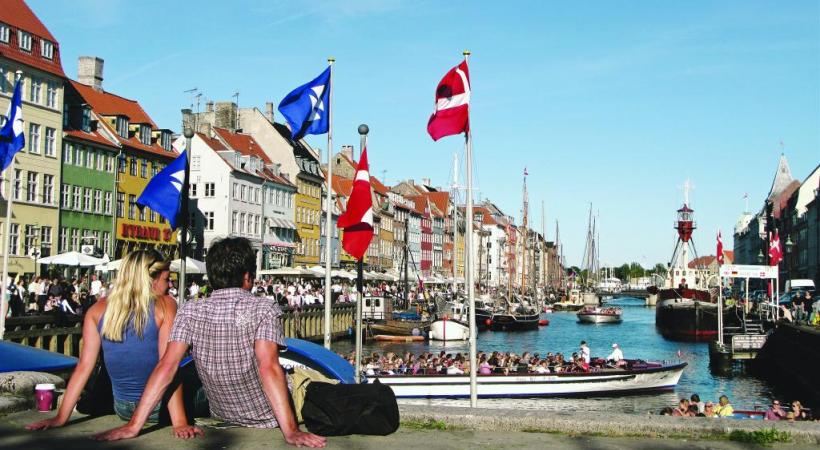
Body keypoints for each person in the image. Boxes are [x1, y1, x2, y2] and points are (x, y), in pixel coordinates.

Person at [91, 237, 325, 448]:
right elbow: (268, 368)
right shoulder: (264, 308)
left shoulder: (191, 310)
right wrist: (291, 431)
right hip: (267, 414)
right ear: (247, 276)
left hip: (222, 412)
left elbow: (167, 366)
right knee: (322, 382)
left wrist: (134, 426)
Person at [26, 250, 199, 439]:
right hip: (160, 408)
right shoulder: (166, 305)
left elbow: (84, 367)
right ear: (151, 279)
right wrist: (180, 422)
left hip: (123, 408)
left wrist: (60, 418)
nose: (170, 285)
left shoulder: (97, 310)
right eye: (167, 279)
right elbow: (167, 368)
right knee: (198, 376)